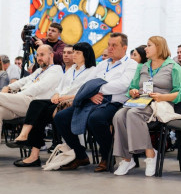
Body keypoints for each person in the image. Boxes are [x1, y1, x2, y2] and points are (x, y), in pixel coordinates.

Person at [54, 33, 138, 172]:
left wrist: (96, 89)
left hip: (114, 103)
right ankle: (80, 155)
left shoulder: (131, 64)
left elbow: (123, 85)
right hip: (92, 100)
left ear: (124, 48)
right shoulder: (103, 64)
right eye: (109, 45)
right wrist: (91, 93)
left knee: (96, 119)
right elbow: (88, 83)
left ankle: (107, 156)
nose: (110, 48)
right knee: (61, 117)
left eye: (114, 45)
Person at [113, 36, 181, 176]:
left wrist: (162, 97)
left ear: (158, 47)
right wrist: (133, 92)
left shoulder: (174, 67)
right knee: (119, 115)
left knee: (133, 113)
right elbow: (132, 87)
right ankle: (127, 159)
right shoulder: (143, 67)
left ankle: (150, 153)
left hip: (160, 103)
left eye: (149, 45)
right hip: (141, 101)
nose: (145, 48)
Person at [12, 42, 96, 167]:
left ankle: (31, 150)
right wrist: (56, 95)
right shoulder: (71, 70)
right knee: (36, 105)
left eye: (77, 53)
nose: (73, 55)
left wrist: (64, 97)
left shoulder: (92, 71)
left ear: (86, 55)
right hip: (60, 100)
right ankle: (28, 144)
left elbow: (87, 92)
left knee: (41, 114)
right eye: (73, 52)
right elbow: (59, 88)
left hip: (74, 102)